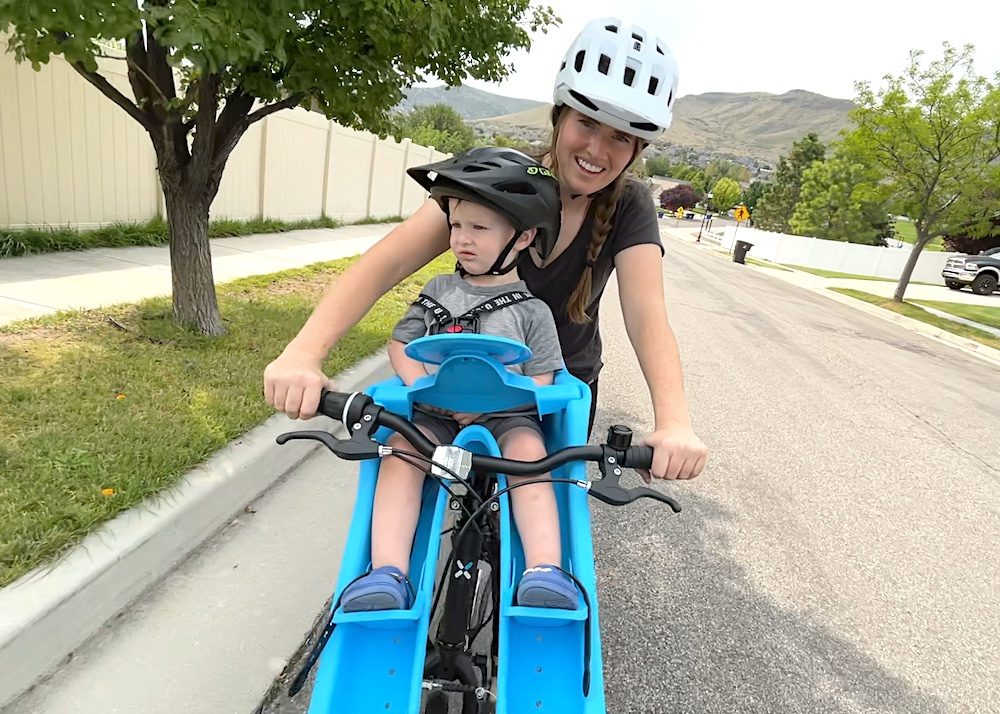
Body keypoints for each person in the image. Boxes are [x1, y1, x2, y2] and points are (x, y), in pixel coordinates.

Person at [264, 16, 708, 483]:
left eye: (621, 136)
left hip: (553, 390)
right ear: (560, 115)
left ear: (637, 148)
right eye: (587, 122)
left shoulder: (630, 204)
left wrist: (674, 420)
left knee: (551, 517)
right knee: (414, 490)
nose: (598, 149)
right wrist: (304, 352)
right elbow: (388, 260)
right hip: (461, 378)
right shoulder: (493, 180)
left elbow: (646, 310)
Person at [339, 147, 578, 611]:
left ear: (525, 236)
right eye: (456, 225)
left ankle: (545, 569)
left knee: (532, 453)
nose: (462, 239)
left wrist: (498, 396)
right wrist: (419, 385)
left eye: (480, 228)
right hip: (433, 412)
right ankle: (387, 572)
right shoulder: (438, 292)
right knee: (400, 451)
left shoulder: (533, 311)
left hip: (506, 418)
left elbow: (544, 379)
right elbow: (400, 345)